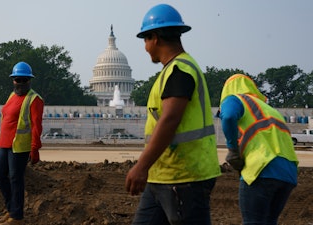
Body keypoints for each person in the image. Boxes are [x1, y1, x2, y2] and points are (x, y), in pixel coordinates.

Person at [125, 4, 221, 225]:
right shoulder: (172, 71)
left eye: (145, 40)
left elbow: (170, 119)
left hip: (185, 178)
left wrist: (141, 166)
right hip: (163, 175)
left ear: (156, 38)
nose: (145, 47)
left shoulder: (180, 71)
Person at [219, 74, 299, 224]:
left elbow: (228, 117)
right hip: (288, 172)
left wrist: (232, 150)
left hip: (262, 168)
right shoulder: (270, 109)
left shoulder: (235, 99)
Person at [0, 61, 44, 225]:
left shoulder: (34, 99)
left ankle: (17, 217)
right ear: (13, 80)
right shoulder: (12, 96)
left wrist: (35, 148)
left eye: (24, 80)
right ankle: (11, 210)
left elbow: (37, 126)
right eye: (17, 80)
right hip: (5, 144)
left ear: (29, 81)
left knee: (16, 179)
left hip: (20, 147)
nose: (20, 83)